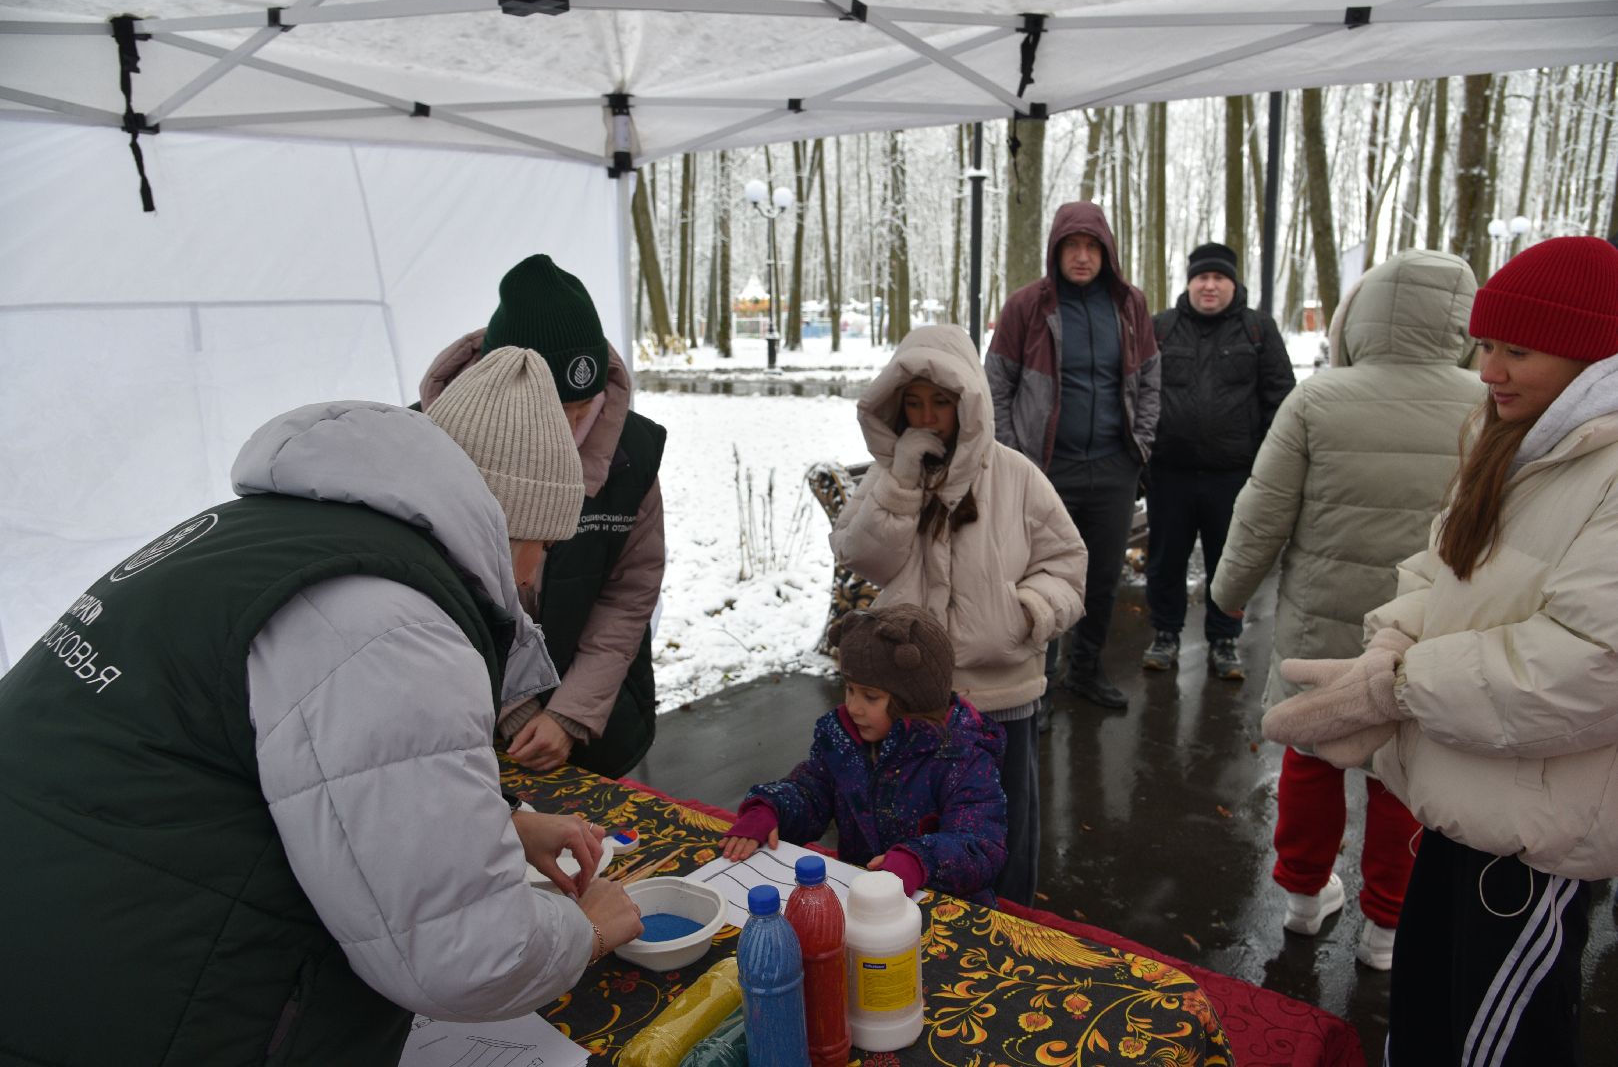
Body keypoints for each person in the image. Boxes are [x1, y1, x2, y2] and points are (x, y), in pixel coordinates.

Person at [0, 347, 644, 1065]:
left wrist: (501, 825)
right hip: (141, 1005)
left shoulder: (260, 535)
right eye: (543, 546)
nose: (531, 577)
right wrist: (586, 929)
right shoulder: (391, 625)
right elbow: (466, 955)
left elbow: (288, 757)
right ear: (507, 525)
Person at [1262, 236, 1618, 1062]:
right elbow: (1442, 567)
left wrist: (1400, 683)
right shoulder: (1514, 437)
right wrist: (1391, 640)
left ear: (1589, 355)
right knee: (1422, 1023)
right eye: (1485, 344)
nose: (1489, 369)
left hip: (1531, 839)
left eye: (1516, 351)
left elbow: (1590, 663)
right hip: (1460, 797)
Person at [1208, 249, 1482, 969]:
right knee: (1401, 772)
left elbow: (1262, 513)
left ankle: (1302, 898)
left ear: (1361, 317)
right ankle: (1387, 926)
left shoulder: (1319, 399)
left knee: (1310, 753)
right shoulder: (1485, 408)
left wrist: (1228, 594)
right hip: (1423, 629)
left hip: (1318, 623)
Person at [831, 324, 1086, 906]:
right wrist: (901, 483)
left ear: (967, 403)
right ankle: (922, 925)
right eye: (914, 403)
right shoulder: (890, 475)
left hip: (1001, 694)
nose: (927, 418)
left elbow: (1068, 564)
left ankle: (1012, 929)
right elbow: (862, 556)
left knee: (1003, 831)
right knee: (916, 826)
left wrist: (1024, 613)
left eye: (941, 403)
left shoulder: (1017, 476)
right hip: (911, 694)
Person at [421, 254, 666, 779]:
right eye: (557, 410)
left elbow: (631, 589)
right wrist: (514, 704)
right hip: (467, 722)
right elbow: (436, 596)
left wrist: (571, 712)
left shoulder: (633, 453)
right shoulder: (430, 441)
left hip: (595, 717)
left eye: (586, 407)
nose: (575, 428)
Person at [987, 200, 1159, 710]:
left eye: (1092, 246)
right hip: (1046, 470)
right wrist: (1017, 459)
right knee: (1041, 580)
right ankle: (1036, 685)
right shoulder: (1027, 307)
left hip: (1113, 468)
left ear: (1107, 252)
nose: (1082, 257)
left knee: (1102, 578)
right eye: (1072, 246)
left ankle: (1085, 671)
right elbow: (996, 385)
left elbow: (1151, 379)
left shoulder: (1129, 306)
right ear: (1055, 251)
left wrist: (1140, 445)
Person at [720, 604, 1008, 907]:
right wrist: (772, 809)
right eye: (850, 689)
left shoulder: (962, 756)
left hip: (941, 907)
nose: (854, 707)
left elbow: (981, 844)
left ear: (914, 701)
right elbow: (811, 791)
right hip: (860, 898)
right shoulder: (843, 740)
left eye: (871, 697)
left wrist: (918, 860)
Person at [1143, 242, 1294, 679]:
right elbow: (1139, 394)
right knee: (1165, 561)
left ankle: (1225, 640)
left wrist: (1265, 467)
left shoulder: (1257, 330)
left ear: (1233, 283)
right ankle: (1165, 634)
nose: (1209, 286)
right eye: (1202, 278)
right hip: (1169, 474)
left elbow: (1280, 401)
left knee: (1228, 563)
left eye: (1219, 278)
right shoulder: (1161, 329)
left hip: (1233, 477)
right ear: (1189, 283)